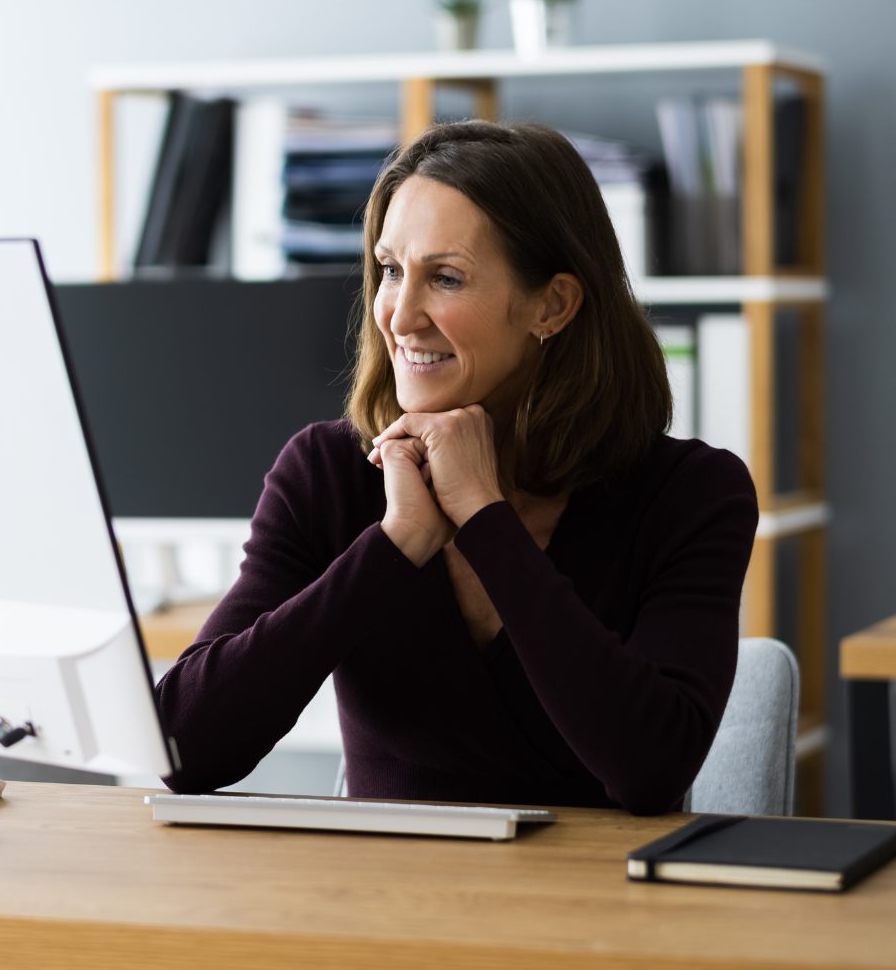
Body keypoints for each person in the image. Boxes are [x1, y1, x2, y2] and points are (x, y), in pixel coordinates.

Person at [154, 120, 758, 815]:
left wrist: (483, 517)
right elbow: (184, 750)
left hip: (599, 914)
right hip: (385, 914)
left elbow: (650, 769)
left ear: (552, 304)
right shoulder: (326, 472)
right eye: (389, 270)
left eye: (445, 277)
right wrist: (393, 543)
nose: (400, 315)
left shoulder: (691, 495)